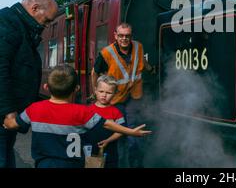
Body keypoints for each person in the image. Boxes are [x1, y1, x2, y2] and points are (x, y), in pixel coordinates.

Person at [2, 66, 151, 168]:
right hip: (73, 164)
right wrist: (131, 132)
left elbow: (12, 124)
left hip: (44, 164)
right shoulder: (82, 112)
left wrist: (8, 115)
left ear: (46, 87)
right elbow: (106, 124)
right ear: (76, 89)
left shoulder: (34, 109)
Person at [0, 0, 58, 168]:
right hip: (3, 119)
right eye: (47, 20)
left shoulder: (19, 27)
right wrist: (9, 113)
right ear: (34, 8)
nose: (47, 26)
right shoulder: (6, 25)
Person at [91, 22, 152, 167]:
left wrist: (151, 69)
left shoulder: (138, 46)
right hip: (116, 98)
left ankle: (135, 164)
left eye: (127, 36)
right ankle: (119, 162)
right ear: (115, 36)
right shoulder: (107, 53)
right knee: (118, 131)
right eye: (121, 36)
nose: (124, 39)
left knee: (133, 131)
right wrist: (96, 91)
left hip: (134, 96)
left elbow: (142, 61)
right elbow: (95, 72)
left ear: (131, 36)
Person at [84, 75, 125, 168]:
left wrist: (108, 140)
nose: (104, 95)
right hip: (90, 154)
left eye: (109, 92)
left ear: (114, 93)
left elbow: (121, 130)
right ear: (95, 90)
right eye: (101, 91)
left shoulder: (116, 112)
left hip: (110, 154)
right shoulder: (88, 110)